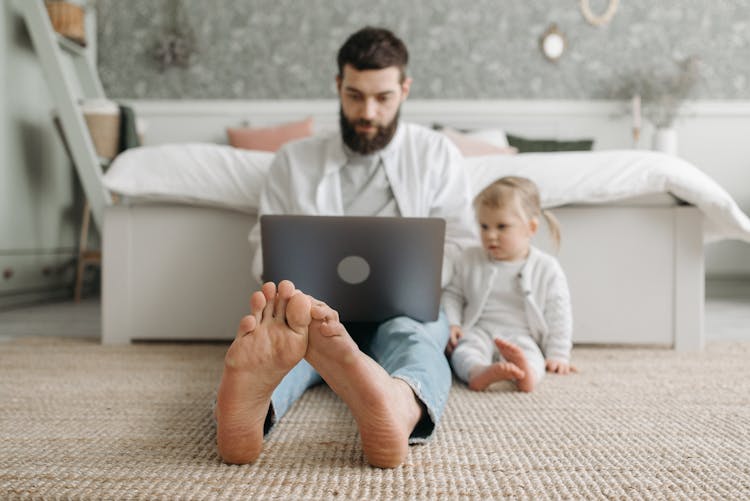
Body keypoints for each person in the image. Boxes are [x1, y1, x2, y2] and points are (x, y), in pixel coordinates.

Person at [215, 27, 476, 468]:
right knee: (290, 344)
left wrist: (416, 276)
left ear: (404, 90)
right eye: (355, 96)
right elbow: (265, 251)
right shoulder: (292, 161)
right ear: (338, 85)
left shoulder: (437, 155)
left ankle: (398, 405)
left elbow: (462, 244)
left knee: (411, 337)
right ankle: (252, 412)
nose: (367, 112)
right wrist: (293, 293)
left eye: (383, 98)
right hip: (313, 310)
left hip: (405, 308)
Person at [443, 176, 576, 393]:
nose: (490, 235)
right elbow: (453, 294)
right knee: (464, 352)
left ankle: (527, 375)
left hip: (521, 334)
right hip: (479, 329)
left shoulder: (546, 268)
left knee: (531, 356)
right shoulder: (469, 258)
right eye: (484, 226)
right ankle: (478, 372)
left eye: (501, 227)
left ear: (530, 228)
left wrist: (559, 354)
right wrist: (453, 323)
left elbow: (559, 313)